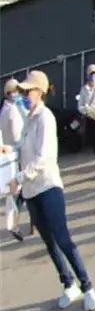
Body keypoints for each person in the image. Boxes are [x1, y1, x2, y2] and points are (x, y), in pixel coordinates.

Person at [2, 71, 95, 311]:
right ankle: (69, 284)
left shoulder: (45, 117)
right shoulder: (28, 119)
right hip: (31, 192)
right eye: (22, 91)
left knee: (62, 238)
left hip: (48, 187)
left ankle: (87, 286)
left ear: (39, 92)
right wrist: (9, 150)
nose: (23, 95)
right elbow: (23, 148)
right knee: (49, 243)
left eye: (27, 91)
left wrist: (19, 178)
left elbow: (44, 157)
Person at [1, 78, 27, 239]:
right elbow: (18, 136)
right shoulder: (12, 111)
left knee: (13, 191)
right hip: (17, 153)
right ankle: (13, 223)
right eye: (16, 92)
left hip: (9, 154)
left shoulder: (4, 109)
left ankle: (13, 222)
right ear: (10, 93)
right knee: (21, 190)